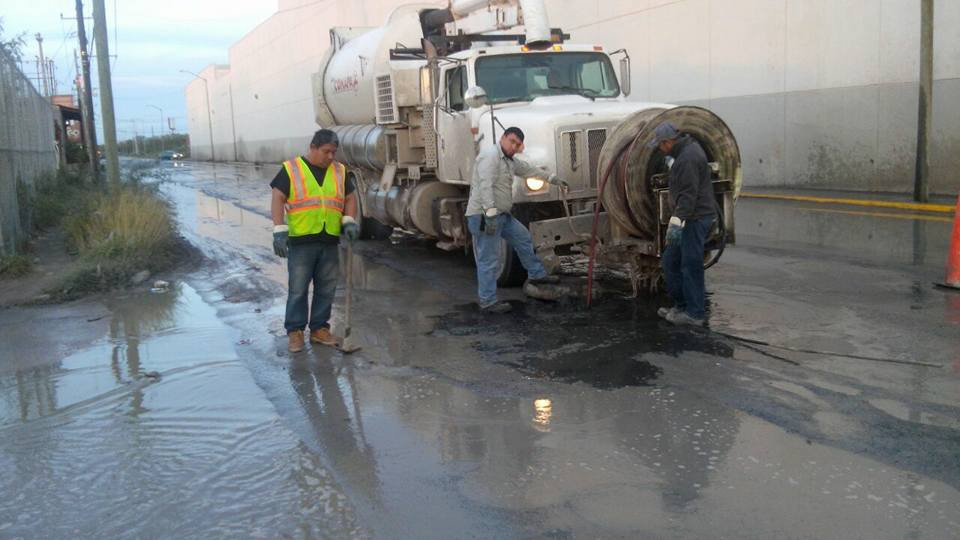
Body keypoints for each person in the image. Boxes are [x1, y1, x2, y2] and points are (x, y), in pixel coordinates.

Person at [270, 129, 359, 352]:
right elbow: (278, 197)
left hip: (329, 240)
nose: (331, 157)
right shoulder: (292, 169)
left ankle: (320, 330)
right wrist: (279, 229)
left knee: (326, 288)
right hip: (302, 241)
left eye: (334, 152)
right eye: (326, 152)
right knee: (298, 289)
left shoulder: (339, 171)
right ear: (313, 148)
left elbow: (350, 197)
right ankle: (295, 332)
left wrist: (349, 221)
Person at [465, 126, 567, 313]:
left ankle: (537, 275)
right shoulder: (490, 157)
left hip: (502, 215)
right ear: (503, 138)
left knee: (523, 238)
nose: (513, 146)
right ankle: (487, 301)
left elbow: (529, 170)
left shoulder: (509, 161)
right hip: (484, 215)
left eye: (517, 144)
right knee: (489, 259)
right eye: (511, 141)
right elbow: (485, 186)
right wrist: (489, 214)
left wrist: (553, 179)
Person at [648, 122, 717, 327]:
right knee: (670, 261)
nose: (660, 150)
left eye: (660, 145)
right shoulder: (685, 152)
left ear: (668, 142)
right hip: (691, 217)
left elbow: (688, 196)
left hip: (694, 219)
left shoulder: (687, 159)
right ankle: (681, 306)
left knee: (690, 265)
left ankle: (694, 313)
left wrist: (677, 223)